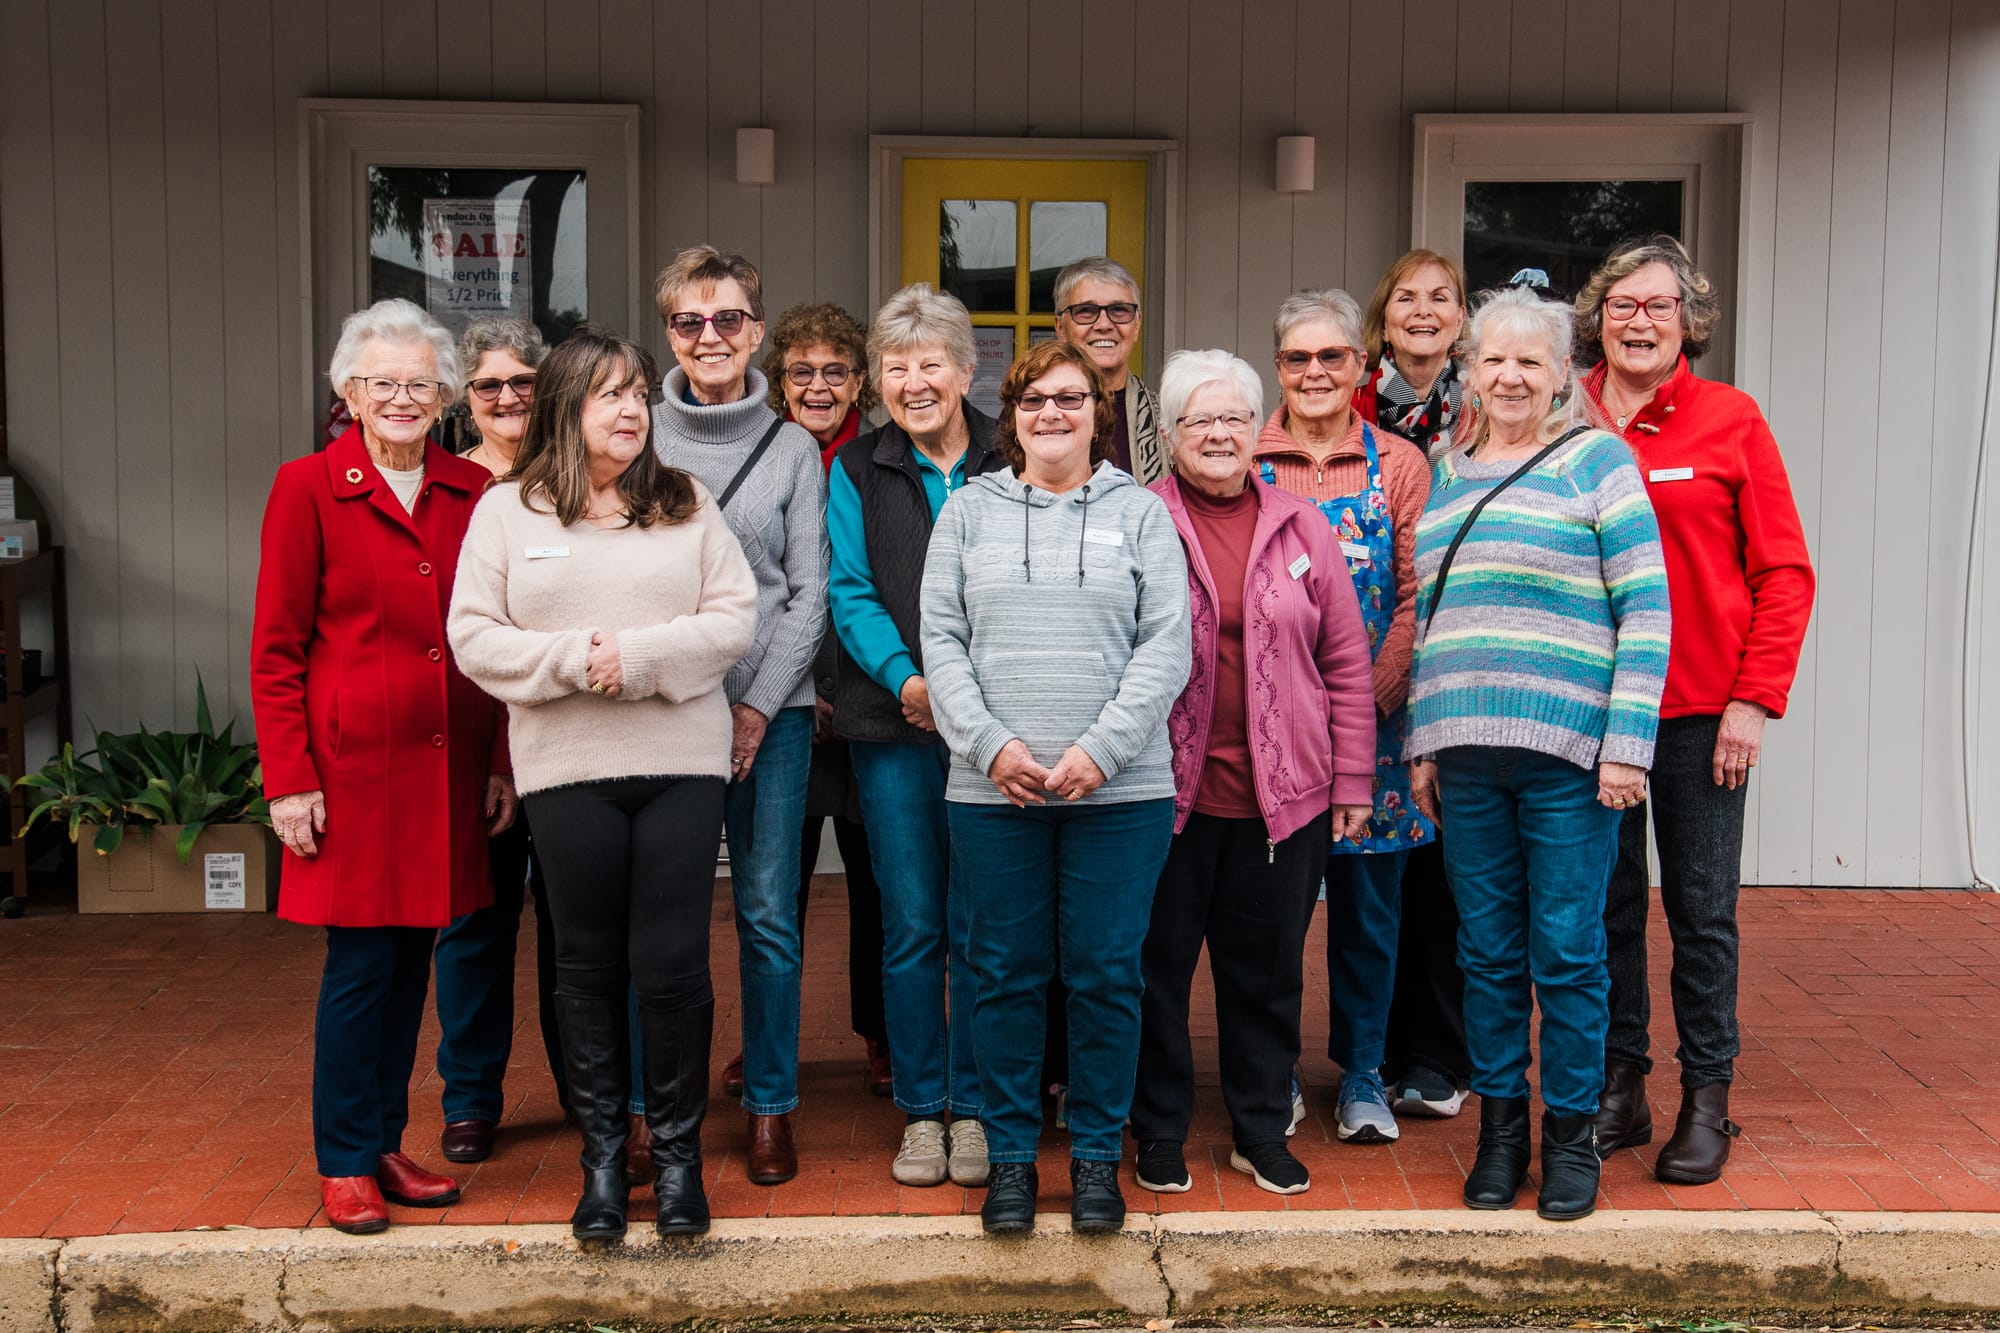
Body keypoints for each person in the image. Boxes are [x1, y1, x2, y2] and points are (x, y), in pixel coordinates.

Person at [448, 326, 757, 1240]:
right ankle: (601, 1165)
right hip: (567, 771)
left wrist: (639, 655)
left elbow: (732, 618)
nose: (631, 410)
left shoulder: (685, 500)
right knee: (584, 967)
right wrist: (581, 660)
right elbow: (475, 636)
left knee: (671, 966)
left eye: (637, 395)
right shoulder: (507, 510)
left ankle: (675, 1162)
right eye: (608, 394)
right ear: (564, 408)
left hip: (678, 767)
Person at [1405, 285, 1671, 1221]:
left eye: (1531, 361)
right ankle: (1500, 1131)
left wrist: (1627, 744)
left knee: (1566, 951)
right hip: (1466, 753)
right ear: (1469, 371)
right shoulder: (1446, 467)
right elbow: (1434, 617)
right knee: (1485, 953)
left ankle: (1570, 1138)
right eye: (1495, 360)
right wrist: (1424, 743)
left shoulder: (1599, 462)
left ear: (1561, 373)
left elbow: (1647, 606)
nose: (1510, 376)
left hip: (1570, 756)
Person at [251, 298, 513, 1235]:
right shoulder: (308, 487)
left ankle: (383, 1139)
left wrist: (500, 763)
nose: (402, 397)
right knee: (361, 967)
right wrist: (288, 777)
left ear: (445, 394)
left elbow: (491, 637)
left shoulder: (470, 491)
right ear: (349, 391)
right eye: (382, 382)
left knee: (416, 966)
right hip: (351, 776)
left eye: (419, 382)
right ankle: (343, 1158)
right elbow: (277, 649)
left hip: (449, 769)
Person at [922, 338, 1190, 1235]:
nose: (1051, 414)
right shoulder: (965, 515)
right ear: (1011, 413)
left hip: (1119, 794)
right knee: (1001, 973)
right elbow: (942, 641)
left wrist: (1102, 750)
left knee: (1108, 975)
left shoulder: (1145, 513)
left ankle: (1091, 1162)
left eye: (1070, 399)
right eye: (1033, 398)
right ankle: (1008, 1161)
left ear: (1096, 411)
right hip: (995, 793)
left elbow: (1168, 647)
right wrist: (992, 746)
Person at [1576, 235, 1815, 1185]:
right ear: (1598, 316)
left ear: (1689, 322)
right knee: (1606, 908)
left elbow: (1784, 572)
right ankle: (1620, 1085)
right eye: (1623, 305)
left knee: (1702, 910)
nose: (1639, 321)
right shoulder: (1564, 413)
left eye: (1658, 307)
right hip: (1586, 712)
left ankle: (1707, 1096)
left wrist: (1754, 699)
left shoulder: (1729, 420)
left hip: (1701, 716)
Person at [1132, 349, 1376, 1197]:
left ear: (1256, 430)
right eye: (1199, 418)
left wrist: (1351, 782)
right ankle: (1158, 1128)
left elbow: (1346, 658)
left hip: (1285, 798)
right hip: (1163, 797)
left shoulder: (1301, 524)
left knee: (1267, 971)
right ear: (1169, 435)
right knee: (1156, 968)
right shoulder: (1140, 519)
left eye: (1235, 417)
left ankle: (1259, 1128)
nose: (1219, 434)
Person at [648, 245, 828, 1186]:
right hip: (663, 717)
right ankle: (656, 1111)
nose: (709, 337)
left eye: (726, 319)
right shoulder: (636, 440)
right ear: (669, 331)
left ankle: (769, 1105)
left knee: (767, 916)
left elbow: (809, 593)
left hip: (776, 719)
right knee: (664, 921)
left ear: (757, 330)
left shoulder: (794, 446)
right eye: (689, 320)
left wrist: (756, 707)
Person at [829, 283, 1007, 1188]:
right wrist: (909, 679)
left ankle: (975, 1107)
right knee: (911, 924)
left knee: (981, 924)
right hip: (891, 725)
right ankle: (922, 1110)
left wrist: (972, 696)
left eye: (929, 361)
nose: (913, 380)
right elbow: (850, 589)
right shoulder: (858, 467)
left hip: (994, 729)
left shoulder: (1009, 452)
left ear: (966, 369)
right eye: (895, 366)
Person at [1253, 288, 1435, 1145]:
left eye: (1332, 357)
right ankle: (1275, 1073)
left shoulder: (1397, 463)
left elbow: (1414, 596)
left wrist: (1365, 704)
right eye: (1298, 358)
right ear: (1277, 367)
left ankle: (1363, 1071)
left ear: (1361, 368)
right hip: (1271, 737)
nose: (1315, 372)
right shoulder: (1246, 458)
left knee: (1369, 914)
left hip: (1378, 732)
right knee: (1272, 920)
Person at [430, 318, 565, 1166]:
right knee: (473, 926)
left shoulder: (573, 483)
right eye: (490, 385)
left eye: (524, 382)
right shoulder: (445, 491)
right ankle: (471, 1098)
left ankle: (586, 1091)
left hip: (560, 736)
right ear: (465, 399)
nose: (509, 397)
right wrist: (489, 760)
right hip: (473, 737)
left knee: (575, 930)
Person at [753, 301, 892, 1102]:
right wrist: (800, 692)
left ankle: (881, 1034)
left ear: (860, 383)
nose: (817, 385)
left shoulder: (876, 460)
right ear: (779, 383)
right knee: (780, 889)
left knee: (878, 885)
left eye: (835, 371)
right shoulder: (768, 459)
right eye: (801, 372)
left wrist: (852, 692)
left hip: (868, 707)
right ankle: (769, 1043)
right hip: (785, 707)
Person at [1358, 252, 1476, 1120]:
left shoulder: (1487, 409)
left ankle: (1440, 1052)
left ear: (1462, 317)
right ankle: (1381, 1049)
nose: (1425, 311)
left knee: (1446, 865)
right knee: (1381, 866)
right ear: (1384, 315)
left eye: (1442, 298)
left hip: (1464, 654)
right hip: (1379, 661)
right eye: (1409, 297)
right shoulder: (1351, 402)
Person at [1052, 257, 1166, 483]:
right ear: (1060, 328)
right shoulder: (1032, 414)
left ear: (1137, 325)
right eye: (1086, 311)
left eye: (1119, 310)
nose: (1104, 324)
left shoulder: (1168, 420)